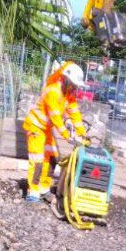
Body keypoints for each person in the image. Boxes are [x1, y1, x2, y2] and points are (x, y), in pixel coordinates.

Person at [21, 61, 87, 201]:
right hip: (35, 127)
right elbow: (55, 116)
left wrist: (82, 133)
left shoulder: (69, 94)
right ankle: (33, 192)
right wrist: (67, 135)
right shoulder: (53, 91)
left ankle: (44, 187)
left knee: (52, 158)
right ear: (66, 80)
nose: (75, 87)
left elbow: (74, 113)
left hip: (45, 130)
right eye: (74, 84)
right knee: (37, 160)